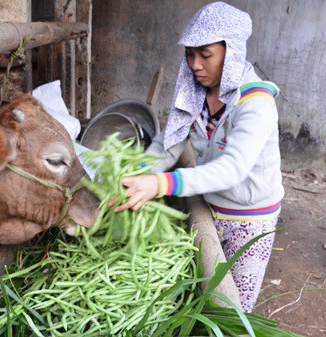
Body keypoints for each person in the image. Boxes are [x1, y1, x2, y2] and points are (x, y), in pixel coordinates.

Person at [113, 2, 284, 312]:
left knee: (235, 308)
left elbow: (233, 169)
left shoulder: (256, 104)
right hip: (210, 202)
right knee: (208, 288)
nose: (195, 65)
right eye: (190, 54)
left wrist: (162, 183)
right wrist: (140, 172)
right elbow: (171, 142)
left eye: (205, 55)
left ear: (231, 53)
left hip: (249, 215)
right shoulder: (198, 94)